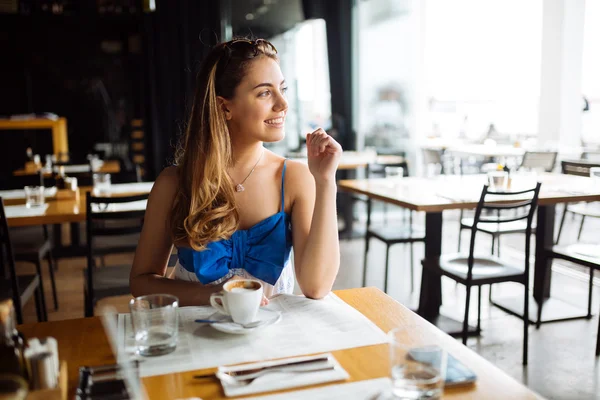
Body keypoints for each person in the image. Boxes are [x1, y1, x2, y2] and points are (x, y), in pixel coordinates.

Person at [130, 38, 342, 306]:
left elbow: (316, 286)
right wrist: (211, 295)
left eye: (282, 89)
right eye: (265, 93)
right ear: (224, 106)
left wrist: (325, 182)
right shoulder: (174, 183)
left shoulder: (296, 178)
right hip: (197, 334)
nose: (283, 104)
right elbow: (141, 281)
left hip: (274, 339)